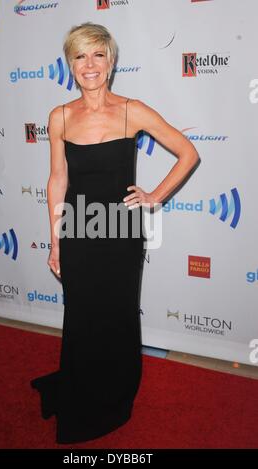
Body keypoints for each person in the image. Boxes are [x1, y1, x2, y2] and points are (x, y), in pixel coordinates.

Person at [30, 22, 199, 445]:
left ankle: (115, 393)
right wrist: (55, 241)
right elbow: (57, 181)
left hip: (121, 231)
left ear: (111, 61)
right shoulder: (60, 116)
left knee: (120, 313)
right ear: (70, 64)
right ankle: (81, 385)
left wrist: (155, 195)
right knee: (83, 315)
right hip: (78, 231)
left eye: (98, 55)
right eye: (80, 56)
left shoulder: (131, 110)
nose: (90, 65)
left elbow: (188, 152)